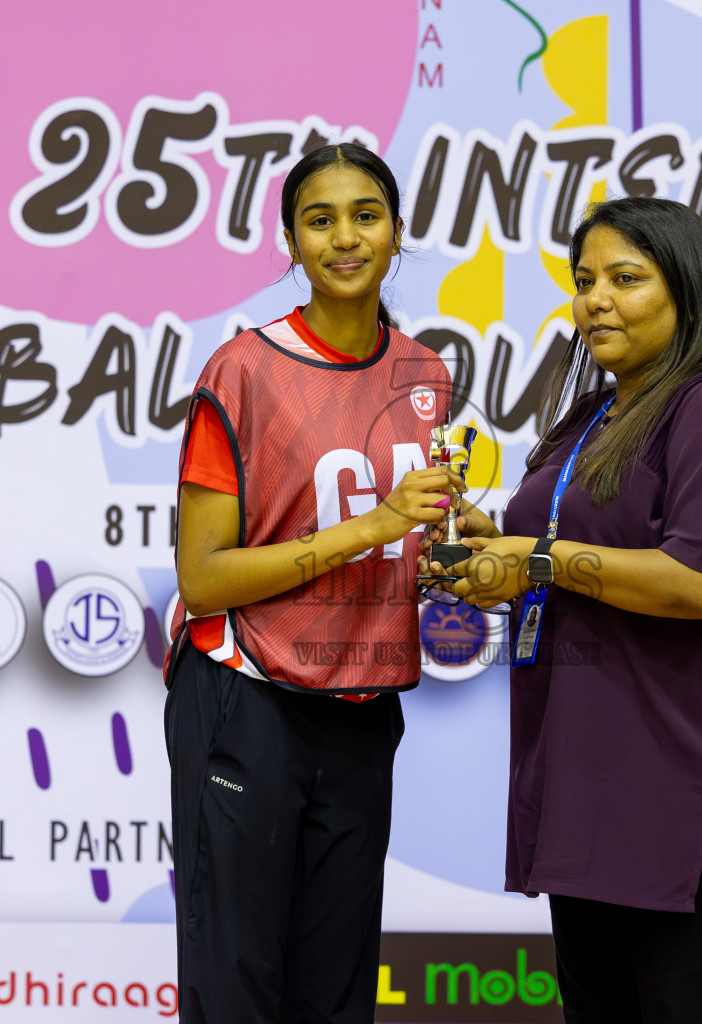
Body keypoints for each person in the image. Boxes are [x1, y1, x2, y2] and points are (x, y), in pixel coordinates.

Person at [437, 196, 702, 1022]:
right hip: (581, 793)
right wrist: (490, 551)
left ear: (687, 292)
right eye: (584, 280)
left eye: (626, 279)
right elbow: (560, 558)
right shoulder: (586, 422)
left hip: (674, 801)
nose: (595, 299)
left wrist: (539, 558)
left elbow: (701, 582)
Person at [164, 141, 454, 1024]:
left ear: (399, 232)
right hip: (245, 700)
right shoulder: (242, 371)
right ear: (290, 243)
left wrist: (455, 549)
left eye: (366, 215)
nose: (345, 238)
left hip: (363, 710)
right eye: (319, 220)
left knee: (337, 992)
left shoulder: (425, 374)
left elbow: (411, 537)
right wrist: (372, 526)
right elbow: (204, 578)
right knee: (239, 983)